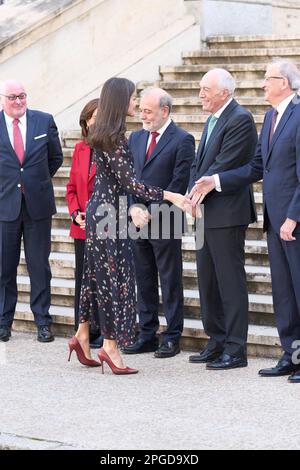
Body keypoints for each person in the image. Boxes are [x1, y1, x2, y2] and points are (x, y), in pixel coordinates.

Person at [190, 60, 300, 383]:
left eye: (269, 79)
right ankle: (290, 355)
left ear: (287, 83)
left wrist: (293, 215)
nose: (263, 84)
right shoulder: (270, 117)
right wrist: (215, 181)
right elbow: (255, 168)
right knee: (282, 292)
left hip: (291, 218)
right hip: (274, 218)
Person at [68, 77, 186, 375]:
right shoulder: (115, 136)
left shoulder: (102, 133)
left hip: (103, 211)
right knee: (114, 280)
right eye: (134, 98)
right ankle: (110, 347)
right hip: (111, 215)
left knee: (94, 277)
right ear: (122, 101)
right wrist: (169, 194)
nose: (136, 103)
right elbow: (130, 182)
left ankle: (83, 335)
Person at [187, 69, 257, 370]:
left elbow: (222, 164)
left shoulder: (240, 119)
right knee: (208, 282)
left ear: (224, 93)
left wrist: (197, 190)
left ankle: (235, 348)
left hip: (227, 214)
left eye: (206, 89)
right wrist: (190, 195)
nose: (201, 94)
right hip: (204, 213)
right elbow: (198, 163)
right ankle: (216, 341)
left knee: (229, 282)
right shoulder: (212, 118)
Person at [122, 87, 195, 358]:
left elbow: (179, 182)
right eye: (141, 109)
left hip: (166, 219)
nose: (142, 115)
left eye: (148, 111)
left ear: (165, 111)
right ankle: (147, 333)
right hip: (136, 219)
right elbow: (129, 178)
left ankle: (172, 335)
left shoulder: (183, 139)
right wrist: (133, 209)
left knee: (170, 279)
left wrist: (150, 210)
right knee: (143, 278)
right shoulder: (136, 137)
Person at [0, 79, 63, 342]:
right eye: (13, 97)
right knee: (4, 269)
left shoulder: (43, 120)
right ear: (3, 99)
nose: (18, 101)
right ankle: (4, 322)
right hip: (5, 208)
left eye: (22, 96)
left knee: (39, 267)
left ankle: (42, 322)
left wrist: (34, 183)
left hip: (38, 206)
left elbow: (55, 157)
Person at [66, 99, 103, 349]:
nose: (96, 122)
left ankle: (102, 329)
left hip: (105, 224)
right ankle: (83, 329)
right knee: (83, 280)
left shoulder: (112, 149)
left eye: (101, 117)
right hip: (81, 227)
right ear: (86, 122)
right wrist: (75, 213)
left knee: (102, 280)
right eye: (93, 117)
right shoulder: (79, 149)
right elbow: (70, 188)